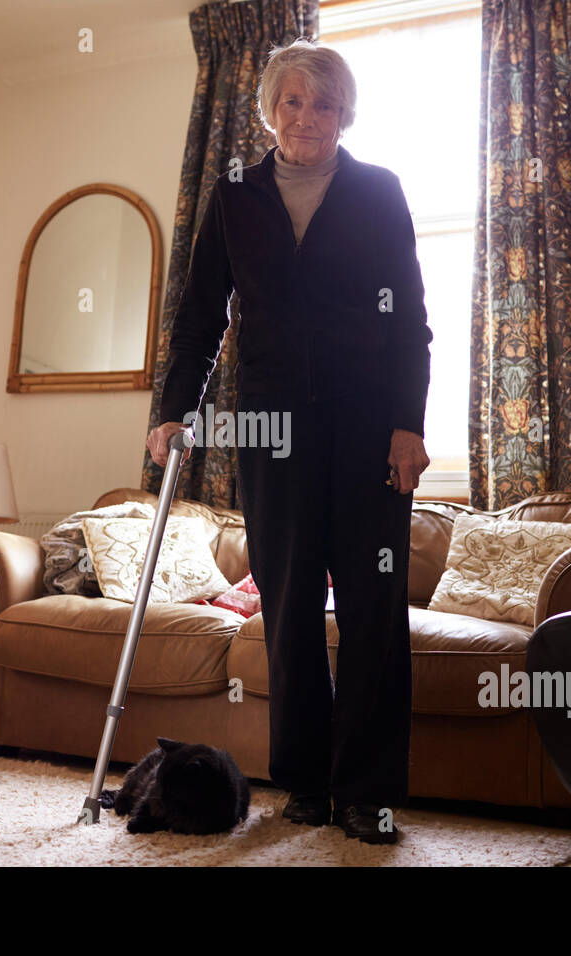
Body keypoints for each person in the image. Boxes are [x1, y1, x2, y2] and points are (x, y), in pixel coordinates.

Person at [146, 38, 432, 845]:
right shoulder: (234, 195)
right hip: (271, 427)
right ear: (269, 109)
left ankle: (368, 792)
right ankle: (306, 784)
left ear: (347, 114)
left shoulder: (378, 191)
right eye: (293, 101)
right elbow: (201, 317)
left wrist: (409, 423)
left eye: (325, 103)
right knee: (292, 606)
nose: (307, 116)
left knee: (374, 609)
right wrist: (175, 411)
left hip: (369, 424)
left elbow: (410, 318)